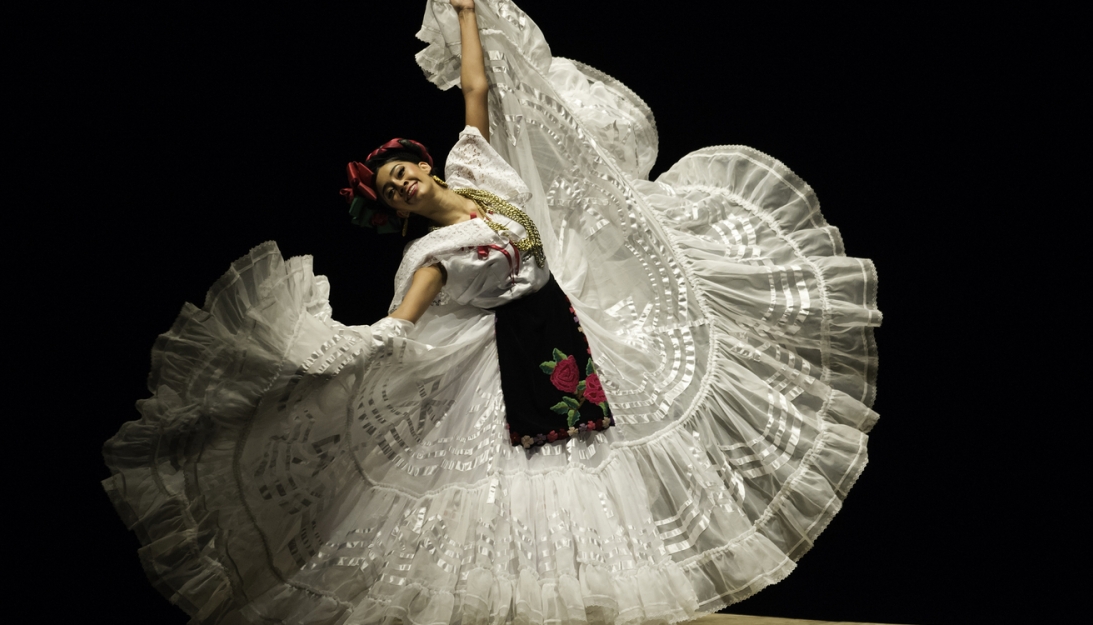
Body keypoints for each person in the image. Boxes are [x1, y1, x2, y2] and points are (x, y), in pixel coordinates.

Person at [103, 1, 882, 623]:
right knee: (532, 481)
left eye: (400, 169)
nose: (402, 181)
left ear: (418, 160)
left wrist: (467, 10)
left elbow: (475, 89)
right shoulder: (429, 259)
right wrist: (319, 345)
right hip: (508, 360)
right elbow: (398, 328)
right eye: (390, 190)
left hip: (566, 319)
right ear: (395, 212)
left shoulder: (474, 165)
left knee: (622, 432)